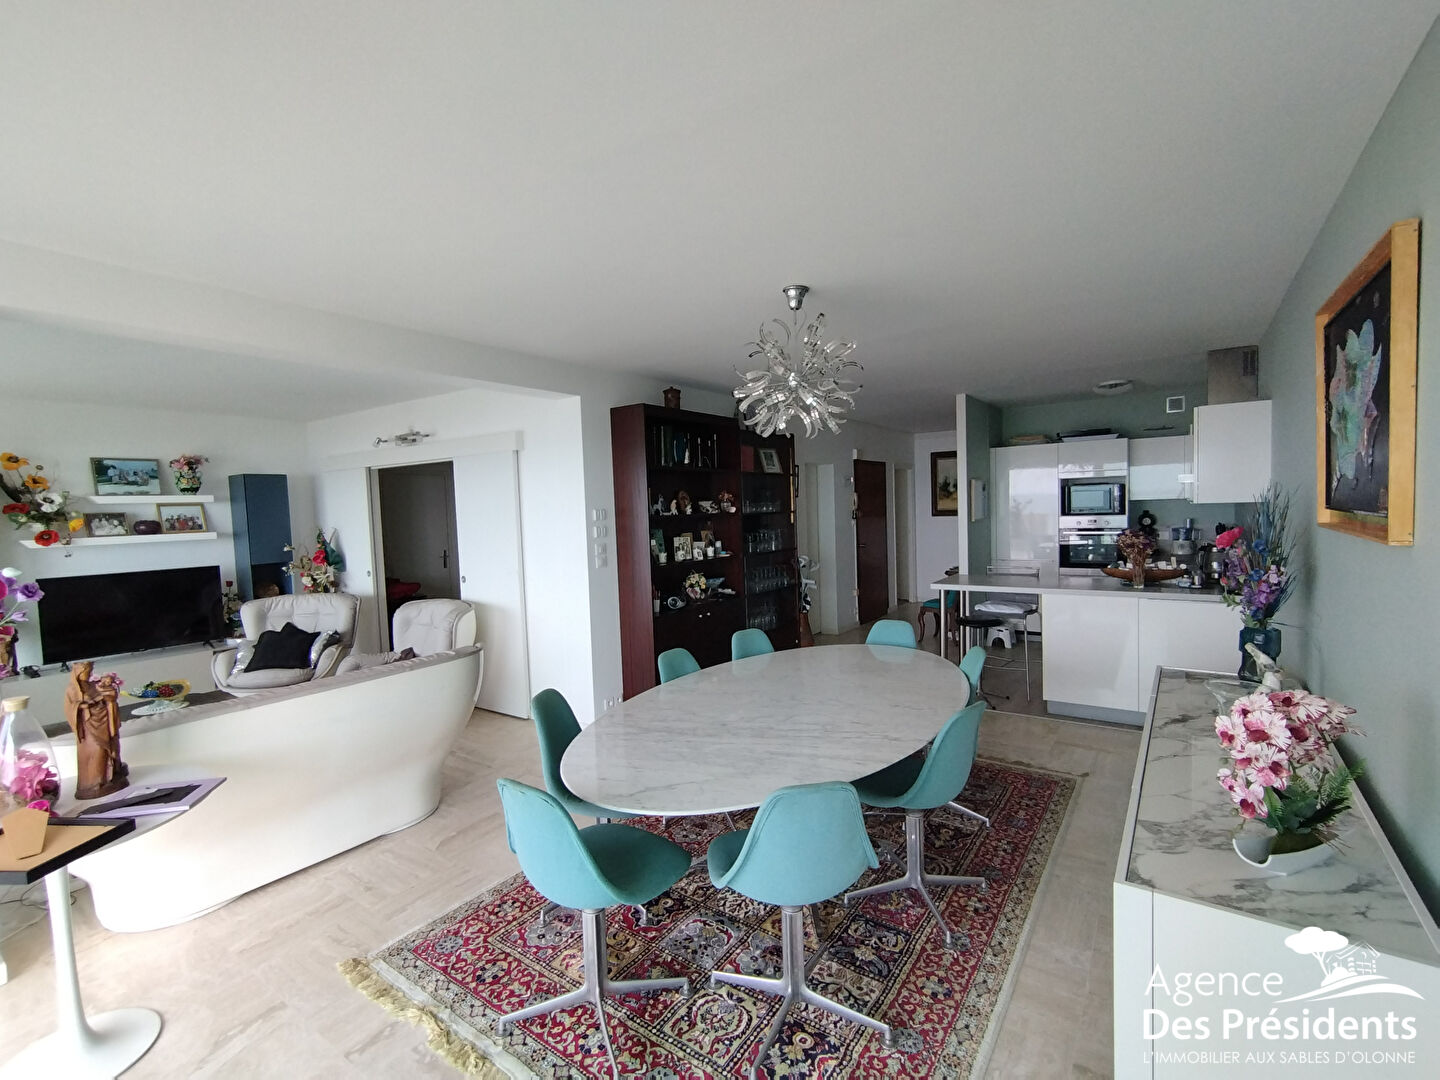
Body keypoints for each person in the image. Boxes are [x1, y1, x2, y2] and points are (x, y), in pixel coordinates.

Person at [64, 661, 128, 799]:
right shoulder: (73, 689)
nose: (89, 674)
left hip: (102, 719)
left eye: (90, 671)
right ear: (79, 673)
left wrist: (108, 698)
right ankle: (94, 782)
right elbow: (70, 707)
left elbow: (102, 696)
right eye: (87, 672)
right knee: (97, 750)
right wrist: (83, 706)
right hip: (88, 725)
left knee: (106, 749)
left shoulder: (91, 685)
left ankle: (105, 778)